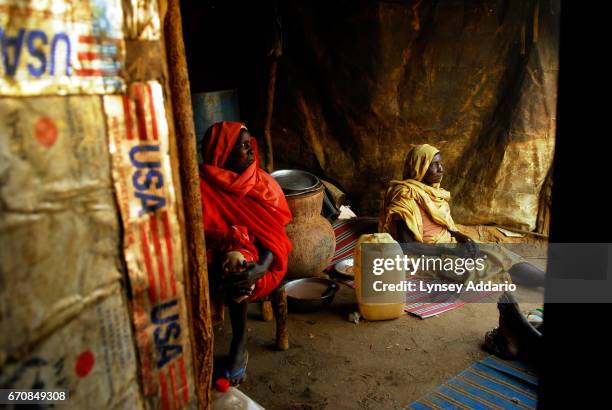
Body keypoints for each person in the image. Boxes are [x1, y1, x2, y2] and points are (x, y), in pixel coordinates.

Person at [199, 121, 292, 385]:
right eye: (241, 146)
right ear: (222, 152)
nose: (250, 150)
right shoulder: (202, 187)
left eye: (249, 143)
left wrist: (260, 268)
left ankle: (239, 343)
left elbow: (277, 239)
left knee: (237, 265)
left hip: (263, 265)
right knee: (228, 262)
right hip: (211, 260)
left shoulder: (264, 184)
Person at [379, 143, 545, 285]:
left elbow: (443, 224)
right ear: (419, 166)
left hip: (448, 244)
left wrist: (460, 237)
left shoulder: (432, 192)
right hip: (425, 255)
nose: (441, 169)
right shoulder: (404, 196)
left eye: (440, 164)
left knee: (495, 250)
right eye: (434, 165)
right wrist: (451, 252)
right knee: (479, 268)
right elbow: (407, 246)